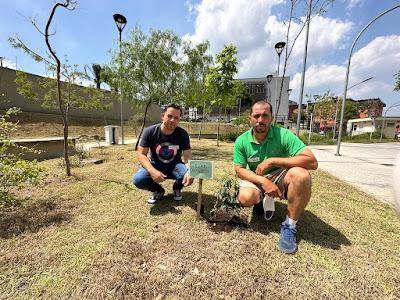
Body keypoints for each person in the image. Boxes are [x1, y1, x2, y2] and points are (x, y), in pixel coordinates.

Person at [233, 101, 318, 254]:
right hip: (257, 178)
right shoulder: (242, 140)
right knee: (246, 198)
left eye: (265, 115)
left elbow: (311, 161)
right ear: (250, 119)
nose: (260, 119)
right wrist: (263, 181)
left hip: (280, 176)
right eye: (256, 116)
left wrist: (273, 160)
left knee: (302, 175)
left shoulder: (283, 135)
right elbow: (239, 169)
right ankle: (259, 200)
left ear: (272, 118)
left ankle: (289, 226)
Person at [133, 103, 194, 204]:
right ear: (162, 116)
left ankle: (177, 188)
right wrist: (152, 171)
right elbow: (141, 154)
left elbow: (187, 157)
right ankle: (158, 190)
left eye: (176, 118)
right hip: (156, 165)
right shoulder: (150, 131)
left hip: (175, 165)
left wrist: (190, 170)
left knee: (186, 173)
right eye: (169, 116)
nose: (172, 120)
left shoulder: (183, 134)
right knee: (138, 179)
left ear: (179, 120)